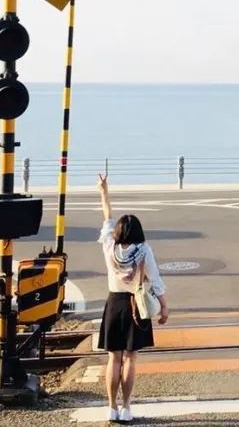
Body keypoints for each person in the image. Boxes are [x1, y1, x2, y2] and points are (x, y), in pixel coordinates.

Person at [96, 173, 169, 423]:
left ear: (117, 232)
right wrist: (165, 307)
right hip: (136, 305)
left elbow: (107, 216)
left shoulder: (109, 246)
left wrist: (104, 190)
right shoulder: (143, 250)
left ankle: (111, 407)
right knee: (130, 358)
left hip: (114, 304)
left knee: (113, 358)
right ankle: (127, 407)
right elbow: (156, 280)